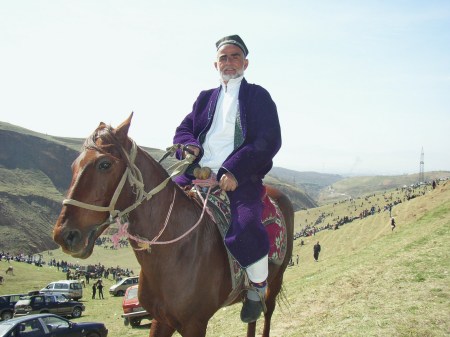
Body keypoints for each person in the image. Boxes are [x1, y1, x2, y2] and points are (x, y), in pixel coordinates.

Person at [172, 34, 281, 323]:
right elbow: (183, 130)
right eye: (224, 57)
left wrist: (232, 170)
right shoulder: (205, 98)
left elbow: (268, 140)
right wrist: (189, 145)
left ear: (245, 62)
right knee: (157, 206)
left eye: (235, 56)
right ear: (215, 64)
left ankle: (258, 288)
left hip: (239, 177)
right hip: (197, 173)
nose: (229, 62)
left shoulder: (258, 97)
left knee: (245, 226)